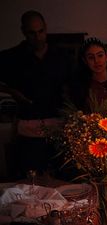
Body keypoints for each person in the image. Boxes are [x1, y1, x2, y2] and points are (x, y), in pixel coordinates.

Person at [0, 10, 72, 180]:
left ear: (46, 29)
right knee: (32, 178)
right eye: (32, 33)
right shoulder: (12, 56)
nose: (38, 37)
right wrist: (11, 92)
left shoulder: (61, 56)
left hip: (58, 125)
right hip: (29, 127)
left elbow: (76, 84)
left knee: (61, 176)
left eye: (41, 31)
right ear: (24, 32)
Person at [66, 37, 107, 113]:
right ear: (85, 61)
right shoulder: (80, 85)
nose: (96, 61)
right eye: (91, 57)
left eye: (100, 55)